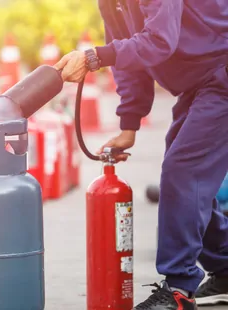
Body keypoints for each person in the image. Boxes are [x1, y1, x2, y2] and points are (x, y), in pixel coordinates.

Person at [54, 0, 228, 309]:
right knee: (188, 180)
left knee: (183, 172)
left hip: (222, 74)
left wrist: (94, 57)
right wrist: (129, 125)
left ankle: (177, 290)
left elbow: (159, 41)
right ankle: (226, 268)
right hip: (200, 83)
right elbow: (129, 61)